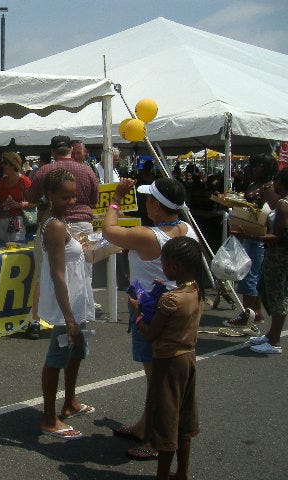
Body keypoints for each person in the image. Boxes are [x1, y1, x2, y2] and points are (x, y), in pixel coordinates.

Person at [102, 176, 198, 461]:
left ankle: (158, 440)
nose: (146, 203)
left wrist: (116, 198)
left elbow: (109, 230)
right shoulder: (186, 229)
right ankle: (146, 426)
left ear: (156, 205)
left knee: (157, 380)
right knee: (157, 378)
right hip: (176, 309)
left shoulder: (148, 235)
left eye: (148, 199)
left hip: (152, 309)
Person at [137, 236, 203, 480]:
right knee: (184, 424)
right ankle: (181, 473)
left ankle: (162, 475)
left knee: (165, 425)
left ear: (174, 267)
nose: (162, 267)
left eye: (164, 263)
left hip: (167, 363)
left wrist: (138, 314)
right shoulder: (196, 290)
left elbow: (152, 334)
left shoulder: (170, 299)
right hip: (188, 359)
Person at [38, 169, 95, 440]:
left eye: (74, 196)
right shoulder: (55, 225)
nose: (72, 202)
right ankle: (49, 418)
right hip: (66, 305)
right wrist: (69, 319)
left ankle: (70, 403)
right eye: (65, 197)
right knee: (57, 358)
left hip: (77, 300)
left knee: (76, 352)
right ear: (50, 196)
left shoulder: (62, 221)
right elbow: (57, 274)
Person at [29, 135, 99, 321]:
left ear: (52, 151)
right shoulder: (86, 170)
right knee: (83, 273)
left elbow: (31, 197)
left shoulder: (44, 170)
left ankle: (39, 320)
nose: (71, 200)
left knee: (44, 273)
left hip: (55, 221)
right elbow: (94, 200)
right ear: (71, 148)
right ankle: (75, 317)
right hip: (81, 223)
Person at [225, 153, 278, 327]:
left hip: (256, 236)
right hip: (245, 233)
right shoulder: (255, 183)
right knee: (250, 274)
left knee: (249, 276)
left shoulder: (269, 187)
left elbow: (269, 214)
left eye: (258, 166)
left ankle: (247, 314)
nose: (254, 169)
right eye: (253, 165)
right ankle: (256, 313)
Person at [247, 167, 288, 354]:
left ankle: (275, 341)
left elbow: (277, 235)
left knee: (277, 295)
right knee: (267, 289)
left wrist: (249, 234)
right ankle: (271, 334)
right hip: (278, 254)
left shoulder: (283, 204)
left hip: (278, 255)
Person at [0, 151, 34, 243]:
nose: (2, 166)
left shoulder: (24, 181)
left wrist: (19, 205)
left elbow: (34, 203)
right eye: (2, 163)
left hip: (17, 222)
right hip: (1, 220)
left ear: (13, 165)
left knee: (15, 248)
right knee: (0, 248)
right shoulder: (2, 182)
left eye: (5, 163)